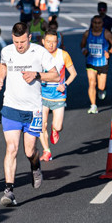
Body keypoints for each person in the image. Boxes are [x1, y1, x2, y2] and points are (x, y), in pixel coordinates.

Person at [0, 22, 58, 206]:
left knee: (30, 151)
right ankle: (9, 191)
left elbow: (56, 76)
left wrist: (37, 75)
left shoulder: (39, 52)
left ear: (29, 37)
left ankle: (35, 166)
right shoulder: (7, 51)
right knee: (11, 148)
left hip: (33, 110)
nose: (19, 46)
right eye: (16, 42)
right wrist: (0, 80)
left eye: (22, 41)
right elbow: (3, 64)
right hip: (11, 108)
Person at [38, 30, 77, 161]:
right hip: (42, 95)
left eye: (54, 42)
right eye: (48, 42)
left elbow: (73, 74)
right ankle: (46, 151)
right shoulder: (38, 54)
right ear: (43, 41)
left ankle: (55, 129)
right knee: (41, 125)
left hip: (58, 95)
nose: (51, 45)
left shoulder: (63, 55)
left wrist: (64, 84)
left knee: (58, 126)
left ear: (58, 42)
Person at [80, 15, 112, 114]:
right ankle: (93, 106)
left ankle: (101, 90)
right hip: (91, 62)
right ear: (92, 23)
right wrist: (84, 50)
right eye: (95, 23)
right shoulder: (87, 33)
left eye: (99, 23)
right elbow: (82, 44)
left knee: (101, 86)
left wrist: (109, 53)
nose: (97, 25)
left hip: (102, 63)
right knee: (92, 82)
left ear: (102, 24)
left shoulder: (106, 33)